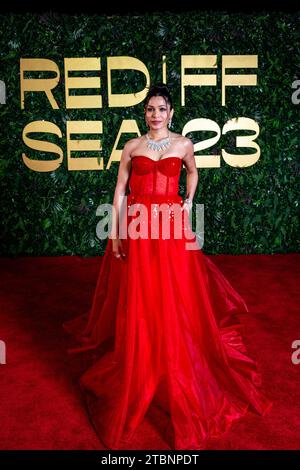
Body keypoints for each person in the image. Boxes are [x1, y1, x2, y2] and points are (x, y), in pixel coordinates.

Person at [63, 83, 272, 450]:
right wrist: (114, 230)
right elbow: (120, 190)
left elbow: (192, 173)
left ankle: (173, 355)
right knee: (142, 293)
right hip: (140, 225)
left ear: (171, 113)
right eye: (149, 109)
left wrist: (188, 203)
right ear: (143, 113)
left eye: (161, 109)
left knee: (174, 291)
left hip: (171, 225)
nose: (155, 114)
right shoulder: (132, 146)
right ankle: (144, 357)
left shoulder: (183, 144)